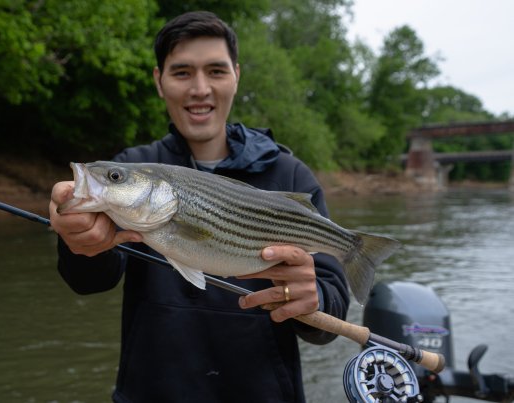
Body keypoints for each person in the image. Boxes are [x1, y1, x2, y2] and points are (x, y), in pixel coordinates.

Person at [49, 11, 349, 403]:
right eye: (182, 72)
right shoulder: (133, 163)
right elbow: (89, 281)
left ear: (236, 76)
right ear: (159, 81)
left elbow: (329, 321)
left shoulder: (289, 175)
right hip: (152, 392)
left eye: (216, 71)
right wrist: (78, 241)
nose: (200, 88)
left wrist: (316, 300)